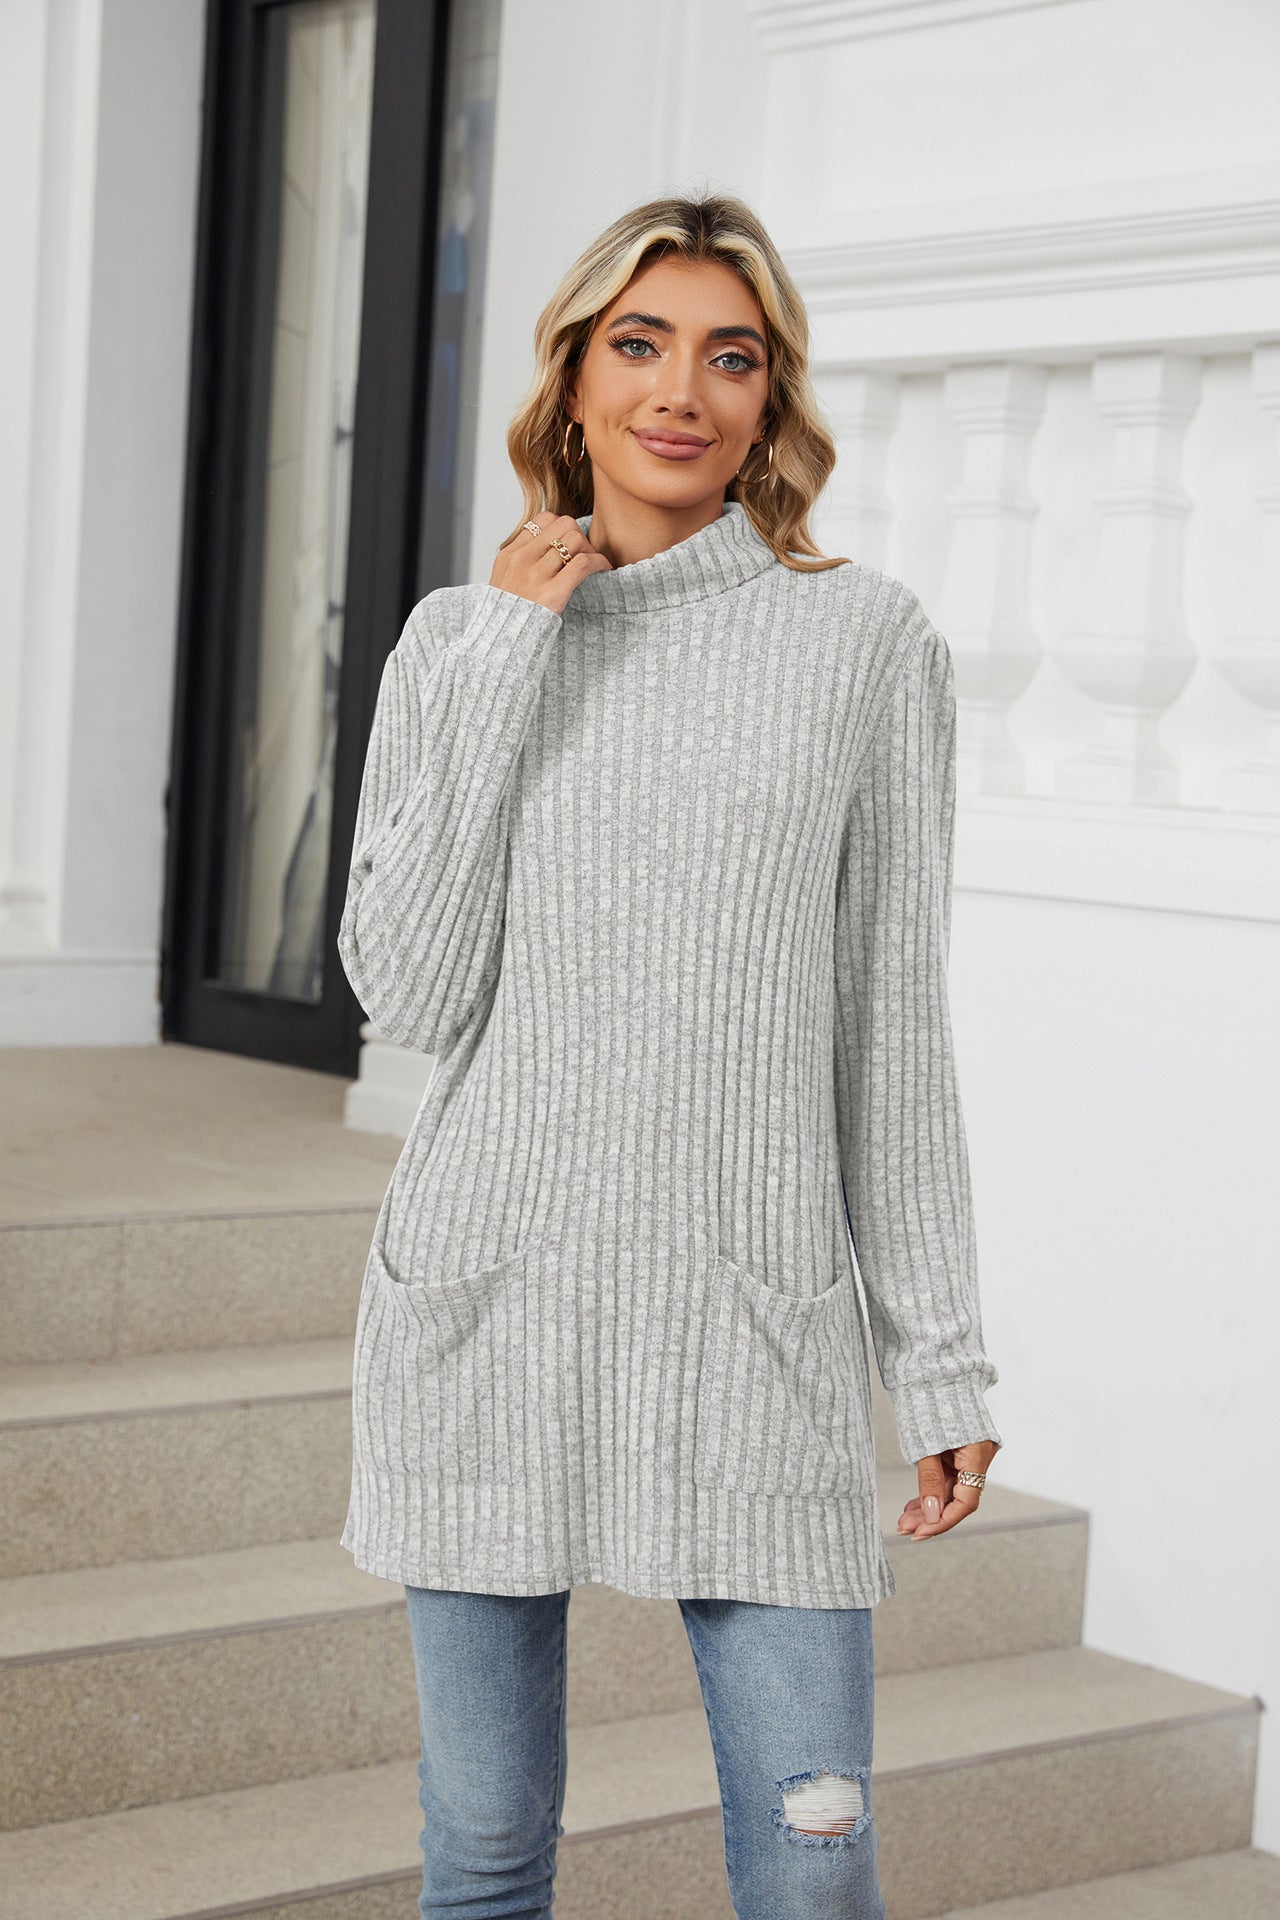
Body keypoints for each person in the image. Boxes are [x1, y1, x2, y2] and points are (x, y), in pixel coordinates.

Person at [337, 191, 1003, 1920]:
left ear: (772, 400)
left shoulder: (864, 647)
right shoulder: (455, 641)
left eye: (732, 356)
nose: (681, 392)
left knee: (812, 1859)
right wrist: (511, 648)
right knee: (487, 1852)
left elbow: (890, 1027)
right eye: (640, 345)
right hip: (490, 1305)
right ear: (574, 378)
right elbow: (406, 990)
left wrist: (937, 1356)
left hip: (751, 1319)